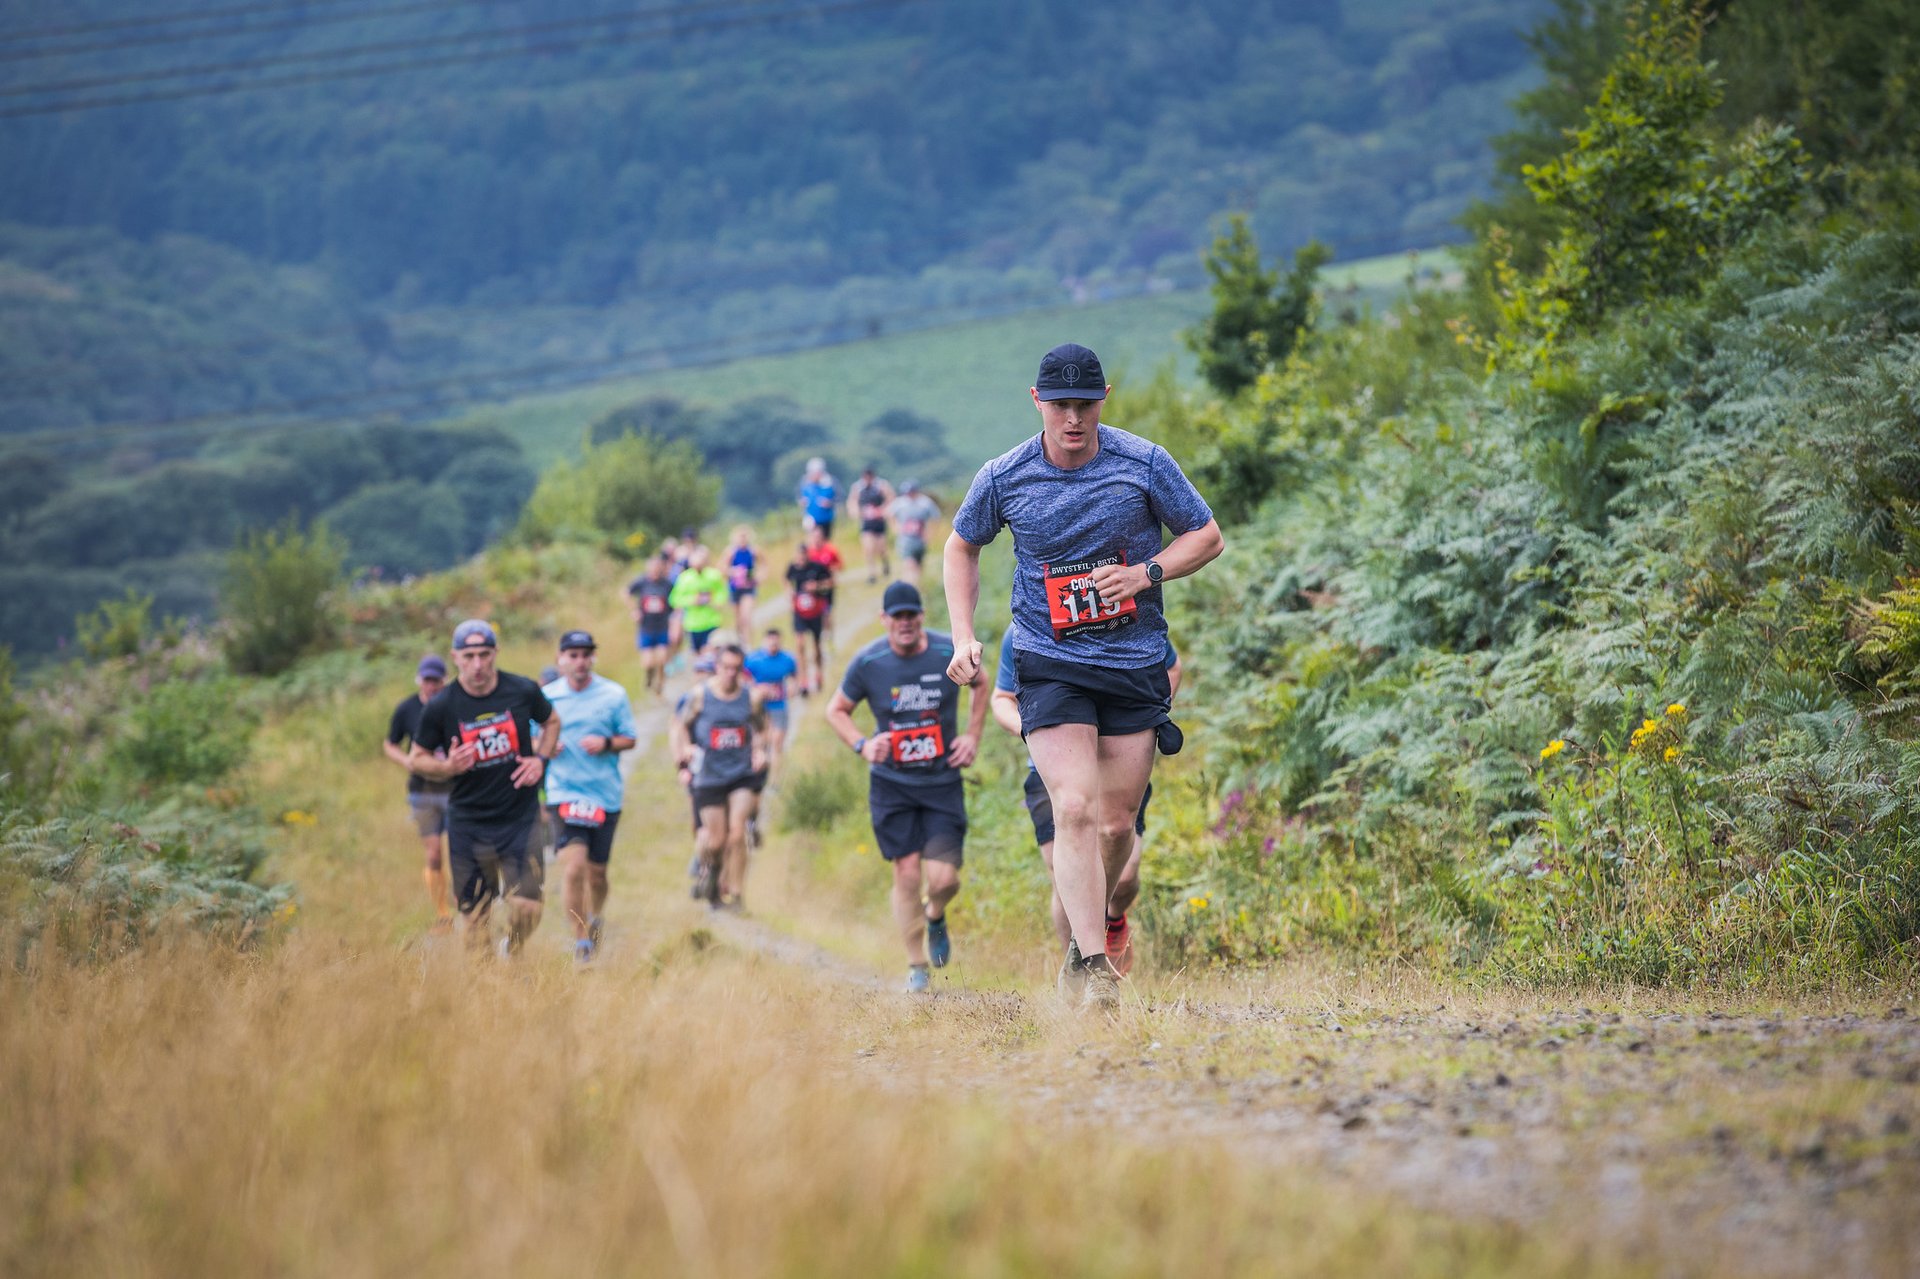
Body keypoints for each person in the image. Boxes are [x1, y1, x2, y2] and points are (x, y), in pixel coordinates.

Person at [944, 342, 1223, 1006]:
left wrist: (1145, 573)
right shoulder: (1004, 475)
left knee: (1116, 826)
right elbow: (962, 546)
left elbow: (1206, 536)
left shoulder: (1143, 463)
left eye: (1086, 404)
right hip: (1050, 662)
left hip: (1133, 661)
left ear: (1104, 401)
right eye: (1060, 405)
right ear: (1037, 401)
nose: (1073, 418)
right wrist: (963, 634)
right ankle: (1095, 967)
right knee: (1072, 806)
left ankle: (1082, 938)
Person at [826, 582, 989, 993]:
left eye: (910, 615)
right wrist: (863, 745)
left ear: (921, 616)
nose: (905, 623)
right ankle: (916, 966)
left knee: (944, 879)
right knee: (907, 872)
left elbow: (982, 682)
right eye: (896, 616)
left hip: (941, 782)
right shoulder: (869, 662)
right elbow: (837, 710)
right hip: (892, 785)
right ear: (884, 620)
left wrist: (971, 736)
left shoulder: (945, 650)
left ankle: (935, 915)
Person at [992, 626, 1182, 974]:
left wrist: (1147, 716)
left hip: (1116, 757)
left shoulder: (1128, 615)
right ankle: (1083, 969)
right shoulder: (1024, 628)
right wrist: (1035, 725)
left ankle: (1112, 918)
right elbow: (1001, 698)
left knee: (1125, 872)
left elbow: (1171, 666)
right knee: (1065, 878)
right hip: (1052, 770)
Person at [409, 619, 560, 956]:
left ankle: (512, 949)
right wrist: (447, 767)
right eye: (469, 656)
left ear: (495, 653)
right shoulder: (442, 705)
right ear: (455, 657)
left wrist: (540, 760)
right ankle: (485, 983)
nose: (477, 664)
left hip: (519, 817)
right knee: (476, 918)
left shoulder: (521, 690)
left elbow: (551, 721)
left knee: (528, 908)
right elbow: (416, 758)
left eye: (484, 655)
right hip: (469, 823)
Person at [541, 631, 638, 964]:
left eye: (585, 655)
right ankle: (581, 940)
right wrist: (546, 747)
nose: (580, 662)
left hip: (604, 793)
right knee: (573, 868)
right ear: (560, 659)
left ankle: (595, 917)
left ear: (593, 658)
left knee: (597, 874)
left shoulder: (613, 694)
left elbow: (630, 737)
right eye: (573, 655)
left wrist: (606, 743)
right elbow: (530, 740)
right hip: (564, 791)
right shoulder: (547, 697)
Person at [669, 644, 769, 910]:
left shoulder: (751, 698)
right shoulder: (700, 696)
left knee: (738, 833)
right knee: (715, 841)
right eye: (726, 667)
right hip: (709, 776)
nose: (731, 673)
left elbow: (762, 728)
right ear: (717, 667)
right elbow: (679, 726)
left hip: (741, 774)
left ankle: (736, 895)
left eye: (736, 669)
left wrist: (759, 750)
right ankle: (711, 872)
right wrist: (685, 751)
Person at [382, 653, 454, 931]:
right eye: (427, 680)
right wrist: (407, 761)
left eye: (436, 680)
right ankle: (442, 912)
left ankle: (467, 902)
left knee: (460, 850)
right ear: (419, 680)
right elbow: (390, 743)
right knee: (434, 854)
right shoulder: (407, 708)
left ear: (444, 680)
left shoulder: (454, 704)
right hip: (422, 791)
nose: (431, 686)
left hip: (455, 790)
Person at [744, 627, 799, 767]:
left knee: (777, 741)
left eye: (776, 642)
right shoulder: (753, 659)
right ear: (765, 641)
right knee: (762, 740)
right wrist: (758, 689)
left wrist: (792, 687)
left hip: (779, 705)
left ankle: (776, 773)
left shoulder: (787, 659)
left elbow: (794, 677)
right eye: (771, 641)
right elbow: (743, 680)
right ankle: (762, 768)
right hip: (759, 706)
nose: (773, 644)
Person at [627, 553, 677, 695]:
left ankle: (660, 685)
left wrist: (675, 624)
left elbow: (676, 603)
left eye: (657, 568)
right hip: (646, 627)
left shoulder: (667, 584)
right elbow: (626, 592)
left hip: (662, 626)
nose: (655, 571)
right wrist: (634, 610)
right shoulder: (641, 582)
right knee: (648, 662)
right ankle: (649, 677)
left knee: (662, 659)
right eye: (652, 568)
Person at [785, 541, 831, 694]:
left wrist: (817, 586)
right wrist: (789, 593)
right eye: (798, 556)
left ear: (807, 555)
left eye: (803, 555)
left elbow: (830, 582)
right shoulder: (792, 568)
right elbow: (786, 580)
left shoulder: (817, 567)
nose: (801, 558)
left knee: (816, 646)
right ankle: (803, 680)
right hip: (799, 612)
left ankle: (818, 675)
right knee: (800, 645)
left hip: (815, 612)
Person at [669, 544, 728, 657]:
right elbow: (674, 599)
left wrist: (715, 602)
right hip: (693, 624)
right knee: (697, 654)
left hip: (712, 621)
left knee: (711, 652)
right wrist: (691, 601)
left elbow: (722, 592)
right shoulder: (684, 578)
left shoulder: (714, 575)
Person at [848, 466, 896, 583]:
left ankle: (885, 563)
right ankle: (872, 573)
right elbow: (852, 502)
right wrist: (858, 513)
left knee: (881, 548)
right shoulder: (858, 487)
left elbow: (891, 498)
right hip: (867, 522)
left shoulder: (881, 485)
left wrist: (883, 510)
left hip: (879, 521)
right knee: (868, 548)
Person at [888, 480, 942, 579]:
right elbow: (890, 515)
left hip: (920, 540)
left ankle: (917, 584)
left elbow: (936, 517)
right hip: (905, 540)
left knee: (919, 564)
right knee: (909, 564)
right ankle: (910, 583)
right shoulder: (900, 503)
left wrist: (930, 533)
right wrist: (895, 528)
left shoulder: (925, 503)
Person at [804, 523, 844, 649]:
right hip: (813, 589)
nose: (816, 539)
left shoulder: (830, 550)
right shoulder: (808, 552)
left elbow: (840, 565)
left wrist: (832, 572)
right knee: (816, 615)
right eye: (814, 537)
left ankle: (829, 636)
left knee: (827, 613)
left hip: (826, 587)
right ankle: (818, 639)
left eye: (819, 537)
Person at [726, 525, 759, 639]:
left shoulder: (753, 551)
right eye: (741, 536)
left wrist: (759, 577)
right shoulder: (731, 552)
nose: (743, 539)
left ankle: (748, 643)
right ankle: (739, 639)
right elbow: (721, 567)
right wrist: (733, 572)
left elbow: (765, 564)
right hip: (735, 587)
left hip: (749, 587)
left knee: (746, 616)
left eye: (745, 536)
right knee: (738, 619)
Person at [797, 457, 838, 539]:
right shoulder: (805, 484)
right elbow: (799, 498)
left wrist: (829, 503)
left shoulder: (830, 483)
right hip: (811, 519)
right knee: (813, 540)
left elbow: (838, 498)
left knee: (825, 540)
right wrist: (802, 502)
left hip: (826, 518)